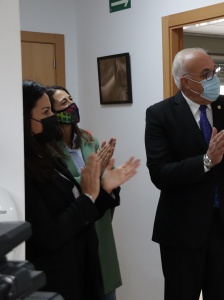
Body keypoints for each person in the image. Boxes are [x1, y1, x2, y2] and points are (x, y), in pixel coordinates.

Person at [145, 48, 224, 300]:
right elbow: (160, 173)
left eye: (214, 71)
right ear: (186, 81)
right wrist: (206, 162)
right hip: (182, 231)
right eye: (206, 73)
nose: (213, 78)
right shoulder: (160, 114)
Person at [22, 80, 140, 300]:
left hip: (85, 259)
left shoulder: (48, 157)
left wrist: (104, 187)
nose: (51, 118)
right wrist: (89, 190)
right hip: (58, 276)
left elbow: (80, 197)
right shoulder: (24, 167)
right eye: (46, 111)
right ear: (24, 118)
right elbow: (49, 234)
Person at [46, 85, 122, 300]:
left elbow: (107, 175)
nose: (71, 105)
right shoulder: (48, 149)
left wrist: (107, 175)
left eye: (71, 99)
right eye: (64, 103)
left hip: (100, 224)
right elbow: (61, 185)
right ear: (51, 113)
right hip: (73, 225)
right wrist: (94, 177)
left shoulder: (90, 140)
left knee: (106, 288)